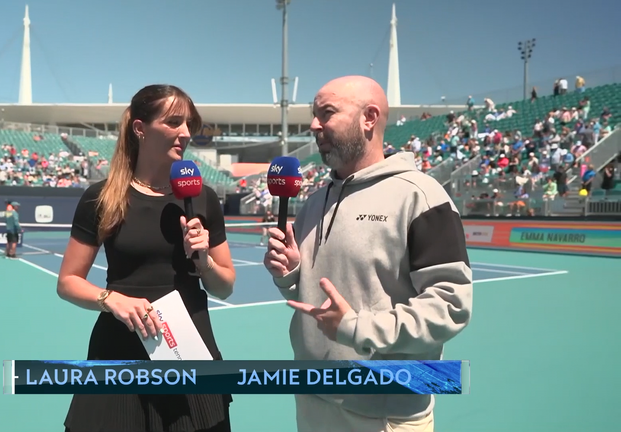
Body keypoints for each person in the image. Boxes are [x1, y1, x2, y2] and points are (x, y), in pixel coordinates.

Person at [263, 76, 473, 432]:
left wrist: (357, 328)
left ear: (369, 118)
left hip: (386, 414)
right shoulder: (314, 202)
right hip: (313, 398)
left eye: (326, 113)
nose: (314, 125)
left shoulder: (420, 196)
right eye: (314, 115)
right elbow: (316, 298)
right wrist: (291, 275)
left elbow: (451, 307)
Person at [57, 84, 236, 432]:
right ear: (140, 128)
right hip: (117, 353)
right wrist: (112, 300)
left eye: (189, 124)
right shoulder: (102, 197)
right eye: (173, 122)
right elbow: (68, 282)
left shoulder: (204, 198)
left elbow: (225, 287)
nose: (185, 133)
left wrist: (204, 262)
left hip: (189, 353)